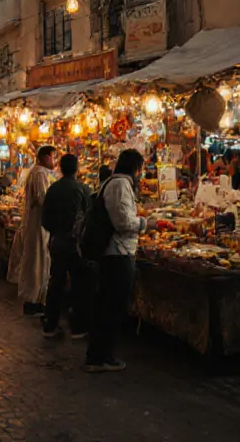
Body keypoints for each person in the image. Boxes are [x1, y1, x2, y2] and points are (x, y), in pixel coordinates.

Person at [85, 148, 148, 372]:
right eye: (140, 168)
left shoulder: (112, 183)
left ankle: (97, 355)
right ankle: (103, 357)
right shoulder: (120, 185)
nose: (141, 173)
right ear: (134, 167)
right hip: (117, 253)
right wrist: (143, 223)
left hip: (113, 253)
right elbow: (123, 222)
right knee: (112, 307)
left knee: (106, 306)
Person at [41, 154, 93, 339]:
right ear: (77, 169)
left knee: (56, 282)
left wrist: (56, 231)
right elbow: (89, 217)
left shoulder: (53, 189)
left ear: (61, 168)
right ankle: (77, 327)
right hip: (76, 244)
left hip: (58, 241)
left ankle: (51, 325)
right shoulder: (83, 189)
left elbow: (45, 219)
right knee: (79, 284)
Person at [17, 146, 56, 317]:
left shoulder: (35, 172)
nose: (55, 161)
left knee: (36, 262)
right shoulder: (39, 173)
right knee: (38, 263)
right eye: (54, 157)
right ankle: (34, 302)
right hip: (39, 224)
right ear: (46, 157)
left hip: (36, 224)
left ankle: (35, 300)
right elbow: (43, 199)